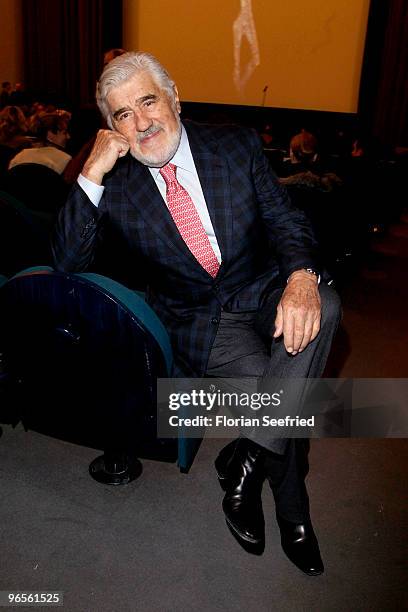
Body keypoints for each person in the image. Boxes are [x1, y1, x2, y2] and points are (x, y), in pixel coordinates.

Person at [52, 52, 341, 576]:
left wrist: (300, 276)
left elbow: (285, 221)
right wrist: (91, 171)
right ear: (110, 127)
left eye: (148, 101)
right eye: (122, 115)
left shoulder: (234, 144)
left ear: (175, 99)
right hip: (201, 325)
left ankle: (247, 459)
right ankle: (292, 511)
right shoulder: (114, 184)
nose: (140, 124)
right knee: (279, 399)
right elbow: (67, 264)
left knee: (324, 298)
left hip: (261, 293)